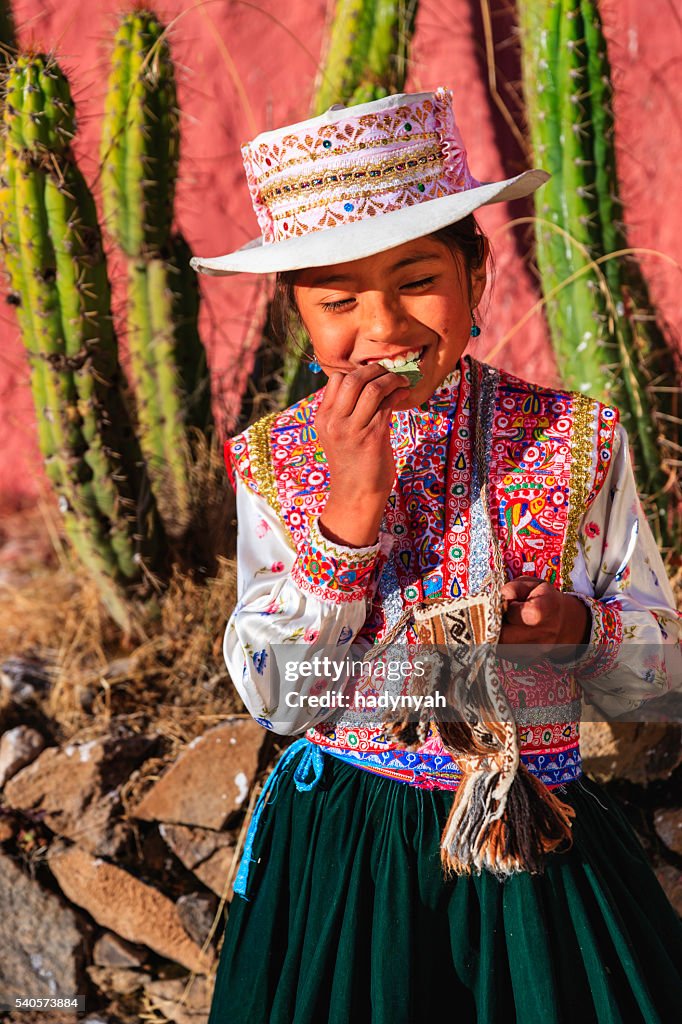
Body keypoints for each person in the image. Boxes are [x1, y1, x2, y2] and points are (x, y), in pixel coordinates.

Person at [191, 88, 682, 1023]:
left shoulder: (575, 441)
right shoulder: (274, 461)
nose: (382, 328)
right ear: (298, 311)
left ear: (478, 274)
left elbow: (659, 676)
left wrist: (581, 631)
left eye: (417, 280)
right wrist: (350, 516)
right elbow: (279, 698)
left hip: (534, 845)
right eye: (338, 299)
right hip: (347, 853)